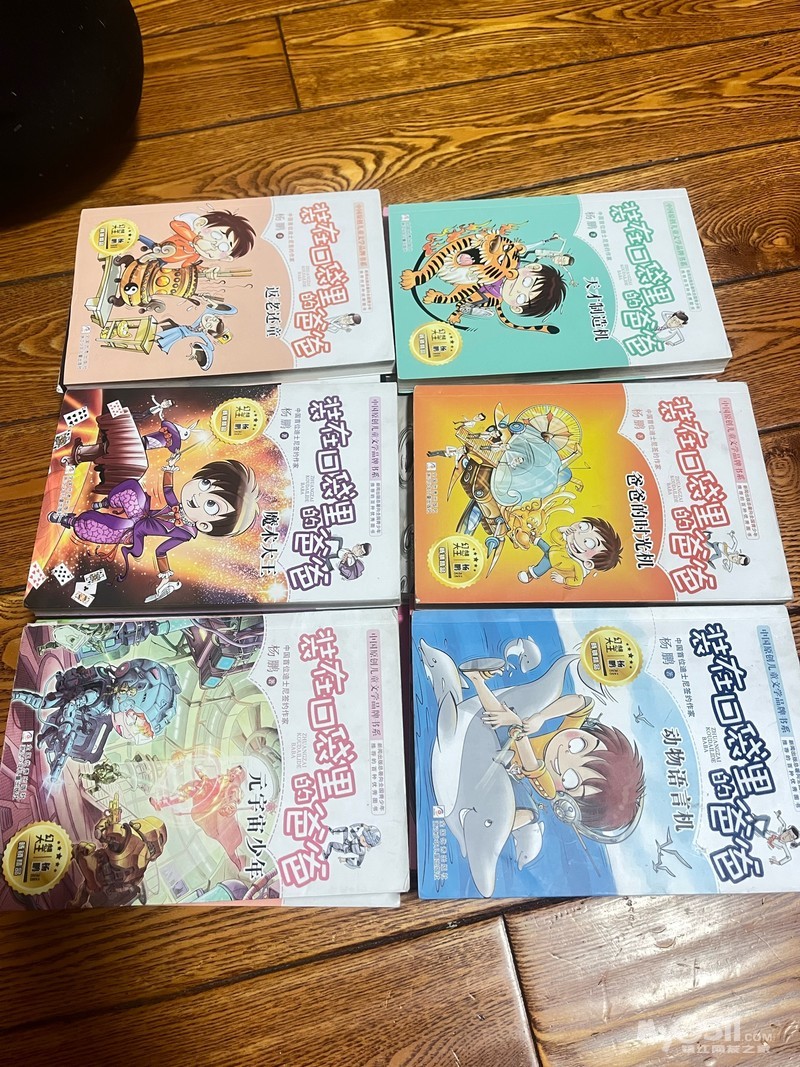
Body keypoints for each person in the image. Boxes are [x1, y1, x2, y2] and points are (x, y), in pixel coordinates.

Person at [518, 517, 622, 587]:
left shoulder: (577, 566)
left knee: (541, 567)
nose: (579, 533)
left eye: (589, 543)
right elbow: (555, 537)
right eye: (584, 527)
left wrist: (563, 580)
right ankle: (534, 539)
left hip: (551, 561)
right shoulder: (568, 546)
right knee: (546, 547)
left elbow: (578, 581)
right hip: (552, 550)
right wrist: (562, 530)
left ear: (588, 563)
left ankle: (530, 575)